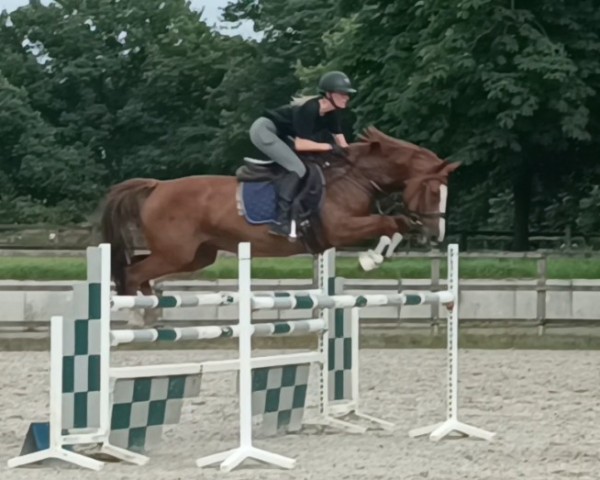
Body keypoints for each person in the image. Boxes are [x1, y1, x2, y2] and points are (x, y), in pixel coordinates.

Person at [249, 70, 356, 237]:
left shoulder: (332, 113)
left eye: (347, 94)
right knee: (298, 169)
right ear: (328, 95)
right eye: (342, 94)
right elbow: (301, 144)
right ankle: (281, 220)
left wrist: (354, 161)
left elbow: (342, 143)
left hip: (281, 135)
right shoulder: (309, 109)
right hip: (264, 131)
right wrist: (329, 147)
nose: (346, 97)